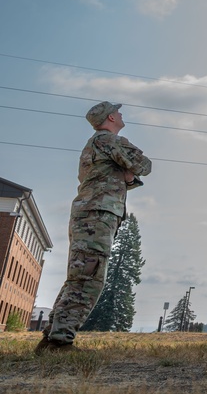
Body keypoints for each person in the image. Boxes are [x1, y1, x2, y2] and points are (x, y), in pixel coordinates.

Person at [36, 101, 151, 353]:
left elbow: (114, 177)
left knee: (78, 277)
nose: (121, 114)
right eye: (118, 111)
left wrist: (126, 174)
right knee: (89, 278)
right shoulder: (110, 141)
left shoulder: (94, 145)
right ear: (110, 117)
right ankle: (59, 342)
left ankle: (51, 338)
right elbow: (144, 166)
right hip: (97, 215)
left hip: (88, 212)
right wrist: (129, 170)